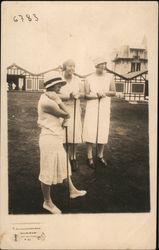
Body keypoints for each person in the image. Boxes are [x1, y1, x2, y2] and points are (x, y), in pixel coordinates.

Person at [37, 76, 87, 214]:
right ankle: (47, 202)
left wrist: (57, 99)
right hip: (49, 139)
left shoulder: (49, 98)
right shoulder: (47, 102)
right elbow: (67, 113)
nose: (60, 87)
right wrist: (58, 100)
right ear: (51, 87)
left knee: (64, 164)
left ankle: (72, 191)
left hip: (55, 137)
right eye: (58, 85)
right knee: (47, 170)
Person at [83, 58, 116, 169]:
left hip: (104, 107)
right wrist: (97, 95)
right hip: (92, 107)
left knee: (102, 130)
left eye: (104, 63)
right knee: (90, 130)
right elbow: (86, 95)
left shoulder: (110, 77)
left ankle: (100, 155)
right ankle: (89, 156)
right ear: (96, 65)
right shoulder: (89, 78)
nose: (103, 65)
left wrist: (104, 93)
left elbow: (113, 92)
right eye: (101, 64)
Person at [58, 59, 84, 171]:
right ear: (64, 67)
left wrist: (78, 95)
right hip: (62, 109)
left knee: (74, 134)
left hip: (74, 109)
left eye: (74, 66)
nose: (72, 68)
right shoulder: (59, 79)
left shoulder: (78, 80)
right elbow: (55, 95)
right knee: (63, 135)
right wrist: (69, 96)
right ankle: (64, 158)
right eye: (69, 66)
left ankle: (73, 158)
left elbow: (83, 93)